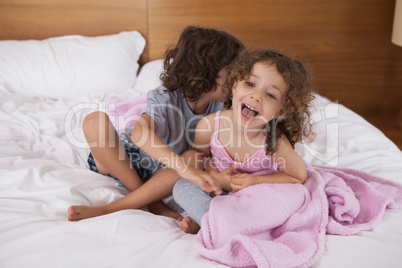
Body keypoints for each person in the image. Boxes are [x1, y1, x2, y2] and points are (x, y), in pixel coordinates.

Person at [67, 26, 245, 221]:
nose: (237, 80)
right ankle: (147, 202)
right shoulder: (166, 97)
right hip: (126, 158)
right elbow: (139, 133)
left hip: (162, 173)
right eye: (231, 72)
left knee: (195, 157)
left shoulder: (221, 106)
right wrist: (181, 167)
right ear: (203, 73)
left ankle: (131, 200)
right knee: (94, 121)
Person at [172, 48, 316, 234]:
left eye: (270, 95)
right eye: (250, 83)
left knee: (290, 197)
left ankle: (215, 225)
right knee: (181, 186)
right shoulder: (209, 126)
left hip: (255, 194)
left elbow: (298, 176)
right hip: (218, 190)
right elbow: (198, 158)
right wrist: (215, 176)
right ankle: (213, 222)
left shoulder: (273, 142)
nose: (256, 96)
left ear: (281, 111)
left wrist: (255, 181)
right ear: (234, 87)